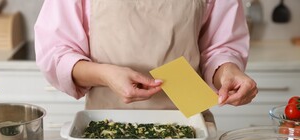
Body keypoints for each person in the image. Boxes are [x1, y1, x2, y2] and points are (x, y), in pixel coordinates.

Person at [34, 0, 258, 117]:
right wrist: (106, 75)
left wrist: (228, 71)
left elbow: (219, 48)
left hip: (189, 129)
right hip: (104, 126)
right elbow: (57, 53)